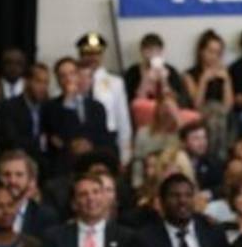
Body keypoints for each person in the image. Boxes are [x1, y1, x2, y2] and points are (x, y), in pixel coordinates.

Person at [128, 174, 228, 247]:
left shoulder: (213, 233)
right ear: (162, 202)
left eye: (188, 195)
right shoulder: (145, 240)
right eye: (175, 196)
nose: (182, 201)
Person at [39, 172, 136, 247]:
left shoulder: (126, 238)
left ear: (104, 198)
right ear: (74, 204)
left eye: (96, 192)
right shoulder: (55, 239)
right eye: (83, 194)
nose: (91, 198)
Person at [43, 57, 115, 173]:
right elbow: (56, 138)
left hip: (93, 161)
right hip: (65, 165)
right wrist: (68, 101)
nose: (68, 79)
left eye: (72, 74)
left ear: (78, 76)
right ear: (58, 80)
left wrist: (89, 144)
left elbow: (103, 136)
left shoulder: (96, 106)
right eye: (63, 76)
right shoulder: (51, 107)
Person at [75, 33, 134, 167]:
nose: (92, 58)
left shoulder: (115, 82)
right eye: (88, 53)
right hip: (80, 139)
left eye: (96, 54)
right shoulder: (71, 81)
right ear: (80, 54)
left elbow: (122, 118)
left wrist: (125, 153)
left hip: (106, 139)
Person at [125, 33, 193, 129]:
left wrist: (164, 81)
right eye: (149, 51)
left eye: (157, 51)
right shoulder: (133, 72)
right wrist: (146, 80)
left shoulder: (170, 70)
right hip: (143, 111)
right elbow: (133, 102)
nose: (153, 55)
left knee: (174, 108)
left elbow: (179, 99)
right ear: (142, 52)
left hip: (167, 110)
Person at [184, 30, 234, 158]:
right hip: (203, 112)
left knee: (218, 115)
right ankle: (214, 157)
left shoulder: (224, 72)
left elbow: (228, 106)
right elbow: (196, 105)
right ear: (201, 51)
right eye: (210, 51)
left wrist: (226, 80)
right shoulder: (189, 74)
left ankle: (218, 158)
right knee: (213, 118)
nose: (214, 56)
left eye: (218, 53)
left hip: (220, 113)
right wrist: (203, 80)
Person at [0, 62, 51, 170]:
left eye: (46, 83)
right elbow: (12, 140)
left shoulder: (49, 107)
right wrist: (40, 142)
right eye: (39, 81)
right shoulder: (9, 106)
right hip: (17, 163)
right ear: (27, 81)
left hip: (45, 166)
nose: (43, 87)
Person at [0, 150, 58, 238]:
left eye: (19, 175)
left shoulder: (45, 216)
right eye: (6, 175)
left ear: (31, 180)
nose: (12, 181)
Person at [179, 120, 223, 198]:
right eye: (196, 138)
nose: (202, 142)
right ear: (184, 142)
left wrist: (209, 193)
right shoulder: (176, 161)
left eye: (204, 138)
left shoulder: (213, 162)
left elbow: (222, 187)